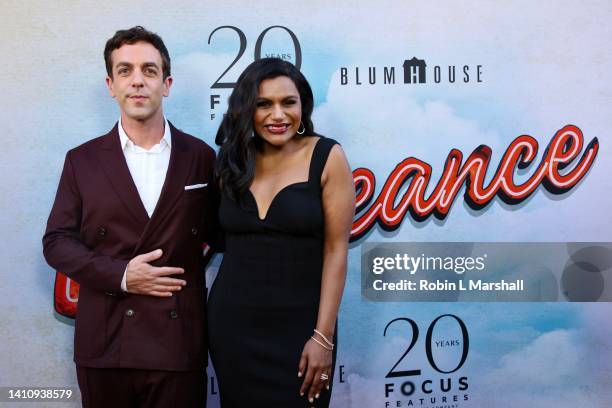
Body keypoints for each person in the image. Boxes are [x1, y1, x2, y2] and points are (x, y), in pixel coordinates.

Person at [42, 26, 216, 408]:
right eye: (125, 71)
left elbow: (222, 235)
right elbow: (55, 242)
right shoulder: (82, 160)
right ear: (111, 84)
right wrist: (122, 276)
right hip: (107, 340)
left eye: (149, 71)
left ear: (167, 83)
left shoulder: (201, 156)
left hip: (178, 343)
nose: (137, 81)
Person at [208, 58, 355, 407]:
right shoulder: (232, 160)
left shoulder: (327, 156)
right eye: (264, 104)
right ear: (247, 109)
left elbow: (336, 252)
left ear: (302, 105)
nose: (278, 115)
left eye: (288, 102)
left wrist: (323, 337)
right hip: (233, 328)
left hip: (302, 331)